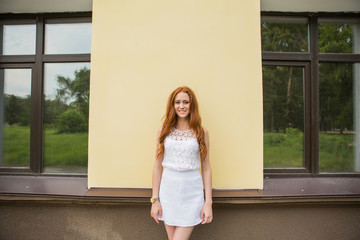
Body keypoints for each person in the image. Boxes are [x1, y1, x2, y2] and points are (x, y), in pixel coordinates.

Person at [150, 86, 213, 240]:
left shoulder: (201, 132)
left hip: (191, 193)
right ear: (172, 106)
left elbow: (206, 169)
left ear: (192, 105)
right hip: (168, 192)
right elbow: (158, 167)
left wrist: (208, 203)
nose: (182, 106)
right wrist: (155, 200)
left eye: (186, 102)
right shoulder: (163, 131)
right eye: (177, 102)